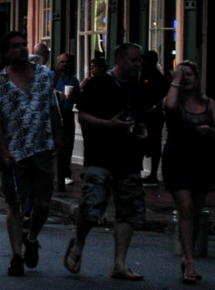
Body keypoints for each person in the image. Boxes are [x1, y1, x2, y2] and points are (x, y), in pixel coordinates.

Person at [65, 42, 149, 281]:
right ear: (120, 59)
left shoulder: (138, 89)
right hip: (100, 156)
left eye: (139, 60)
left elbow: (141, 120)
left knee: (128, 211)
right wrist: (108, 125)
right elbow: (82, 115)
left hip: (129, 158)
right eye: (133, 60)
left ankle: (120, 264)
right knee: (92, 208)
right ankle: (78, 244)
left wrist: (143, 132)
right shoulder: (99, 83)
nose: (138, 64)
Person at [0, 30, 62, 277]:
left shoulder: (42, 74)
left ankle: (31, 237)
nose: (22, 49)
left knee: (42, 205)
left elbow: (52, 107)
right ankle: (16, 255)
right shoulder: (0, 82)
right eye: (16, 47)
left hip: (42, 147)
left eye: (24, 45)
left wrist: (58, 139)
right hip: (15, 152)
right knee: (15, 206)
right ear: (7, 53)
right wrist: (2, 149)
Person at [163, 61, 215, 285]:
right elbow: (168, 107)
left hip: (202, 162)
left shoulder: (209, 104)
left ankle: (187, 254)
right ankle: (189, 261)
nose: (186, 78)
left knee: (195, 212)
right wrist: (175, 80)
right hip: (177, 160)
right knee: (186, 208)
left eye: (190, 75)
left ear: (198, 78)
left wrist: (210, 131)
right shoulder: (174, 101)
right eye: (182, 75)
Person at [139, 50, 168, 184]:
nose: (143, 62)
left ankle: (153, 174)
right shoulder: (142, 75)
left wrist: (155, 107)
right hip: (142, 114)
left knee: (155, 144)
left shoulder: (159, 78)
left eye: (146, 60)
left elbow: (165, 96)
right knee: (139, 142)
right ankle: (137, 171)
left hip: (154, 116)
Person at [52, 53, 80, 188]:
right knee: (54, 144)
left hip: (67, 113)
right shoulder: (52, 76)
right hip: (54, 114)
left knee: (67, 145)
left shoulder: (73, 80)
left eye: (67, 62)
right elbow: (47, 89)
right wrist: (58, 92)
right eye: (62, 62)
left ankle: (65, 173)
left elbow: (79, 98)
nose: (64, 65)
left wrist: (71, 97)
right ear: (57, 63)